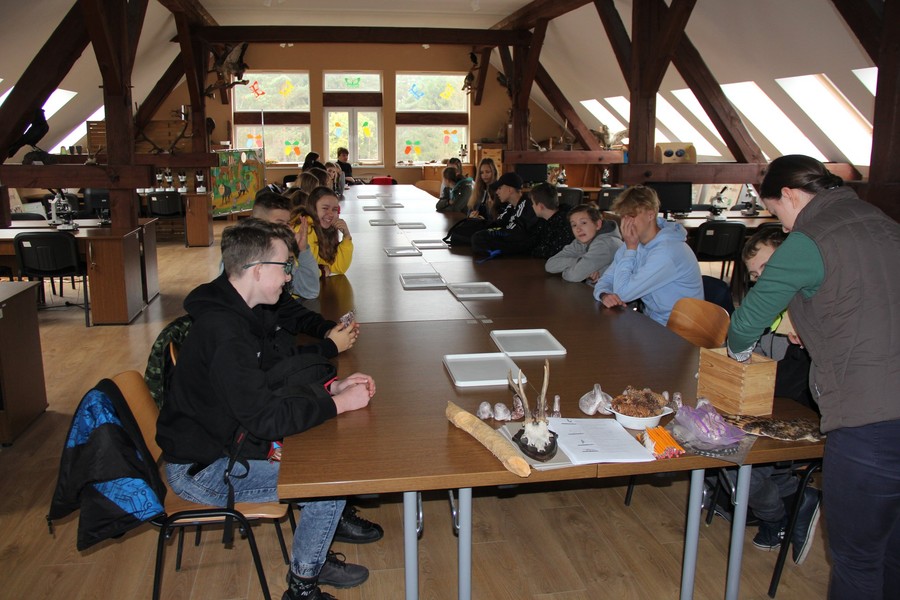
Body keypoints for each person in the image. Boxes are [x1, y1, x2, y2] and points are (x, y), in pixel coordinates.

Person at [156, 219, 377, 600]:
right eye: (284, 266)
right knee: (328, 484)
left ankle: (313, 551)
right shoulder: (226, 333)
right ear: (257, 270)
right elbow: (266, 419)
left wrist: (330, 388)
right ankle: (302, 586)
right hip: (204, 469)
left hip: (223, 442)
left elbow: (271, 381)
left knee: (325, 456)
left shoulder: (239, 311)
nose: (289, 277)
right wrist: (337, 403)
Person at [726, 154, 900, 598]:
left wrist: (739, 355)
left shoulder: (809, 237)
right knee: (894, 553)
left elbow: (747, 322)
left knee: (858, 561)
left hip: (869, 419)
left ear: (788, 195)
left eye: (777, 212)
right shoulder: (883, 223)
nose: (783, 228)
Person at [592, 185, 702, 325]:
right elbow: (606, 279)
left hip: (680, 327)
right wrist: (604, 294)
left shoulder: (667, 251)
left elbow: (623, 293)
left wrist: (631, 250)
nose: (626, 223)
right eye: (623, 216)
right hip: (653, 320)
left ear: (650, 215)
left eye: (632, 216)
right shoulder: (633, 242)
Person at [252, 190, 320, 300]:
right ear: (257, 223)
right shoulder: (247, 256)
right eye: (279, 223)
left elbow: (310, 291)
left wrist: (302, 250)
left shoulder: (281, 251)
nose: (287, 229)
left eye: (287, 223)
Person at [469, 172, 543, 258]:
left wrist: (490, 233)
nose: (497, 192)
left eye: (500, 188)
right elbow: (498, 223)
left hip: (523, 247)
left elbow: (516, 234)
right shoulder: (511, 206)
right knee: (475, 233)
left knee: (478, 238)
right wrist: (478, 223)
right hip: (511, 240)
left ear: (510, 190)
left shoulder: (526, 204)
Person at [545, 203, 623, 283]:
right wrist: (579, 261)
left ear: (598, 224)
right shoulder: (581, 241)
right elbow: (550, 265)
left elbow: (573, 276)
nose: (578, 229)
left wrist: (571, 271)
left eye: (584, 223)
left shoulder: (605, 244)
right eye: (574, 225)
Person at [294, 186, 353, 276]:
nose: (330, 214)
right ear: (313, 208)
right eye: (325, 208)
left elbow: (338, 268)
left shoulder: (325, 229)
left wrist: (346, 236)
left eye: (334, 209)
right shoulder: (305, 230)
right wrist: (322, 271)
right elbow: (303, 271)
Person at [530, 182, 575, 258]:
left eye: (533, 203)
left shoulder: (563, 224)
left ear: (541, 206)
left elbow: (554, 252)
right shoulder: (544, 220)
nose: (532, 206)